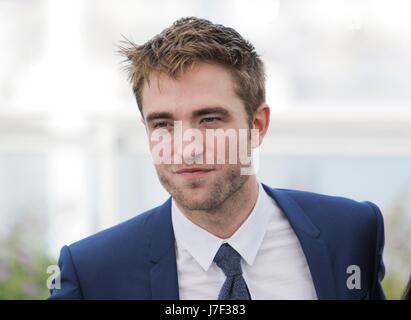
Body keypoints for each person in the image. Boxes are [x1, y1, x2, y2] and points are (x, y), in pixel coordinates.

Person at [49, 17, 385, 300]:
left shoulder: (352, 232)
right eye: (163, 124)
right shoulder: (93, 273)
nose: (187, 147)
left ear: (257, 124)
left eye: (209, 120)